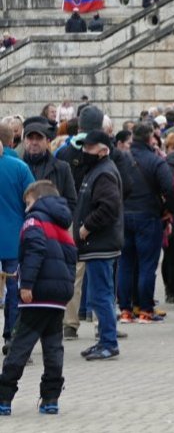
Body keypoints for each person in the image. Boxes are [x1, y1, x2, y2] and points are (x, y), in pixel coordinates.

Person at [0, 181, 76, 416]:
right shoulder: (62, 226)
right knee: (53, 348)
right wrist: (67, 288)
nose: (26, 208)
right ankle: (51, 398)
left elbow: (35, 250)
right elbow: (72, 257)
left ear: (39, 200)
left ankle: (4, 397)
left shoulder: (34, 221)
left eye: (28, 202)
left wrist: (27, 284)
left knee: (20, 346)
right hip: (57, 297)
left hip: (37, 294)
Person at [117, 124, 174, 324]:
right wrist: (169, 209)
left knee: (125, 264)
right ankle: (145, 309)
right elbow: (169, 188)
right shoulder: (155, 161)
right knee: (147, 265)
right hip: (148, 216)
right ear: (150, 138)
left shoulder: (121, 159)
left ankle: (125, 309)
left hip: (124, 216)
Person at [73, 130, 124, 361]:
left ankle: (109, 343)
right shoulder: (96, 170)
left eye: (90, 148)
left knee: (101, 296)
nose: (85, 151)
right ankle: (104, 339)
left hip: (101, 245)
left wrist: (86, 227)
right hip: (97, 245)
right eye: (84, 147)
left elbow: (108, 207)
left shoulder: (104, 173)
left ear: (103, 151)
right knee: (99, 295)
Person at [0, 124, 35, 347]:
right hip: (14, 239)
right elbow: (33, 202)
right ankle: (12, 338)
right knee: (15, 291)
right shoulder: (21, 168)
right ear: (12, 141)